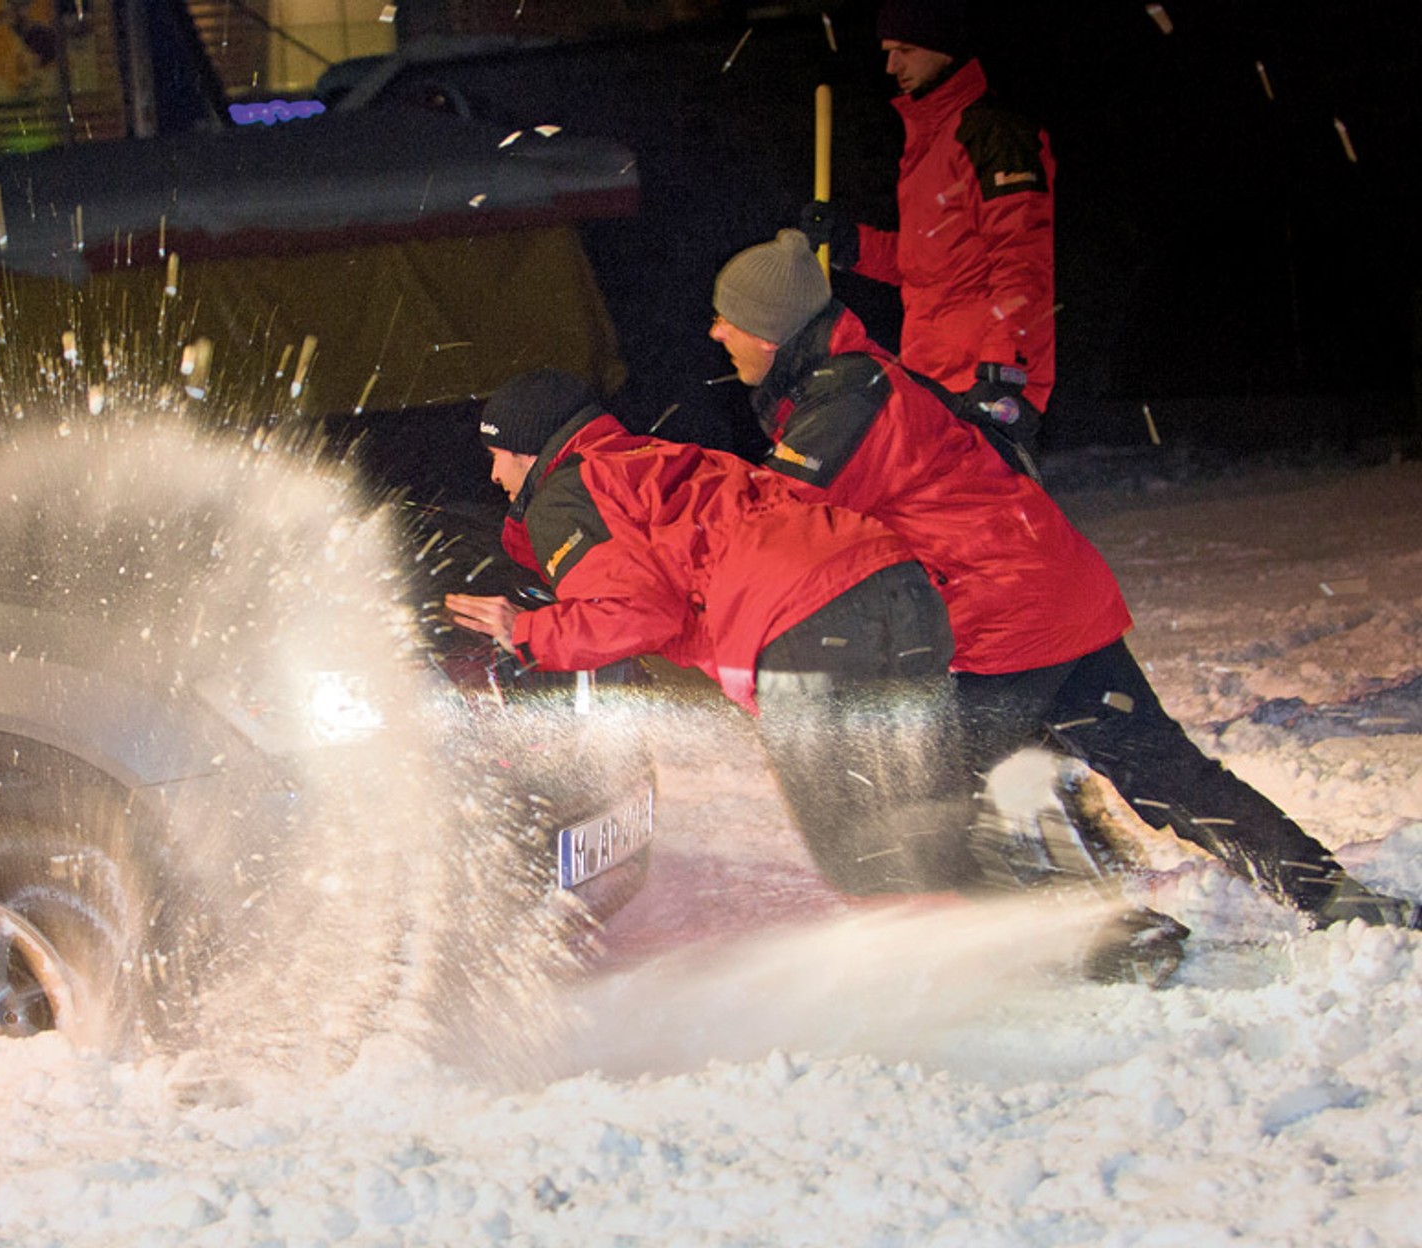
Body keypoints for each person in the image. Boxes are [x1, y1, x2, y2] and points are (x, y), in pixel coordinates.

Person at [708, 226, 1419, 933]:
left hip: (1009, 620)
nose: (715, 333)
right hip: (1056, 595)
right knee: (1164, 772)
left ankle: (1102, 938)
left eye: (727, 319)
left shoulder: (846, 405)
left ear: (771, 335)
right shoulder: (860, 380)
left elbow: (765, 528)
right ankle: (1330, 896)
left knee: (930, 796)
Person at [444, 367, 979, 899]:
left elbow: (639, 613)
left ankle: (916, 938)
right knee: (928, 825)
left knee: (858, 846)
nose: (493, 476)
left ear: (525, 452)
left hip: (803, 622)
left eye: (496, 456)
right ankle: (981, 932)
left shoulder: (565, 496)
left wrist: (524, 629)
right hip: (898, 585)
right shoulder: (658, 458)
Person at [798, 0, 1053, 449]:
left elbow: (1022, 262)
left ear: (944, 47)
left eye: (907, 50)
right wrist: (851, 244)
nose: (892, 66)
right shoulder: (928, 141)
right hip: (932, 374)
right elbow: (930, 262)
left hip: (982, 380)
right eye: (888, 52)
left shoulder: (992, 135)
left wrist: (1004, 370)